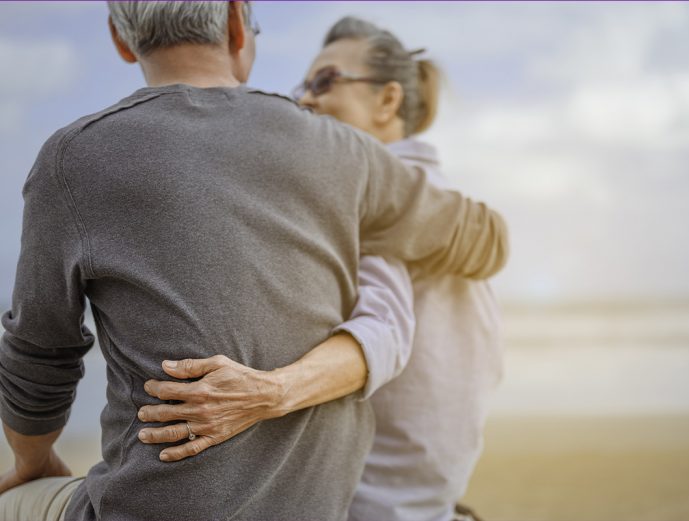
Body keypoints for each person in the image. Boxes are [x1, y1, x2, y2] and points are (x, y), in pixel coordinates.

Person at [0, 3, 508, 521]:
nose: (305, 98)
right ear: (238, 24)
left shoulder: (72, 157)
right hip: (318, 508)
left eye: (325, 81)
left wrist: (32, 459)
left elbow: (39, 354)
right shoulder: (343, 154)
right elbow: (484, 237)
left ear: (120, 40)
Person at [140, 15, 503, 521]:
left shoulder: (377, 198)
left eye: (326, 81)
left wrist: (266, 393)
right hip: (425, 499)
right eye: (304, 85)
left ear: (388, 100)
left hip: (370, 503)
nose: (306, 99)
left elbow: (385, 329)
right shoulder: (436, 196)